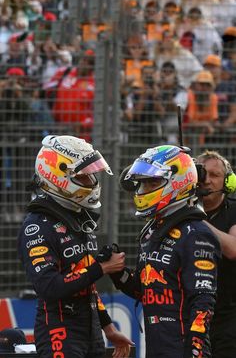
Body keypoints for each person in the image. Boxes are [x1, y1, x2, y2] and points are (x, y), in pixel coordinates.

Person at [18, 134, 133, 358]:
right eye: (84, 177)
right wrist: (101, 268)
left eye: (91, 176)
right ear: (58, 176)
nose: (91, 182)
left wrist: (108, 328)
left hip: (90, 330)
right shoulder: (37, 227)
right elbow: (49, 287)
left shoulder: (78, 220)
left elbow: (86, 285)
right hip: (59, 330)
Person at [111, 145, 221, 358]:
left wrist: (195, 349)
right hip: (157, 346)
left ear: (177, 182)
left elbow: (203, 300)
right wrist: (116, 272)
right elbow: (144, 292)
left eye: (153, 183)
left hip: (184, 349)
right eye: (143, 183)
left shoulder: (196, 233)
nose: (144, 190)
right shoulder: (152, 231)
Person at [196, 149, 236, 358]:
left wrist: (195, 219)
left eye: (215, 175)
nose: (208, 181)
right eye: (203, 174)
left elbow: (233, 249)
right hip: (191, 316)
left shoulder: (234, 210)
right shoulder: (180, 211)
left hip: (228, 317)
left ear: (228, 181)